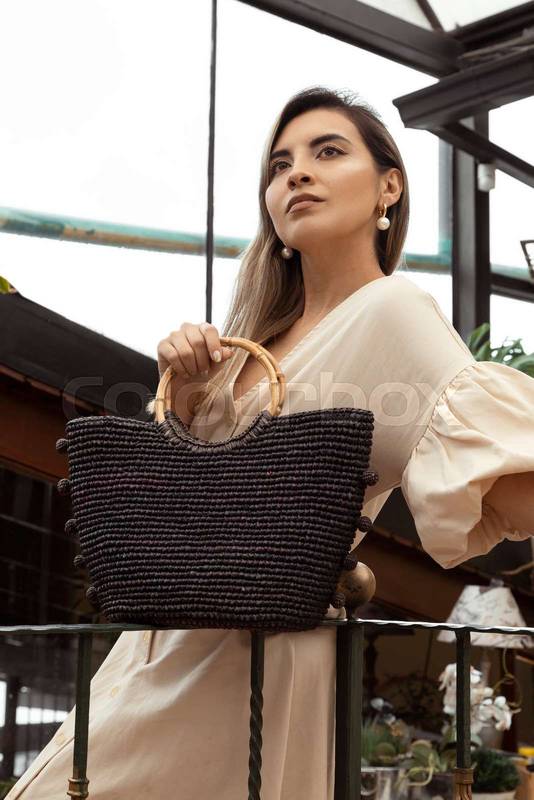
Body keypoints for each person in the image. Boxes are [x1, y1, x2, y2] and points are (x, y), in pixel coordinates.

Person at [8, 86, 534, 800]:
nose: (297, 174)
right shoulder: (250, 344)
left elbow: (514, 492)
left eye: (327, 152)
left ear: (389, 185)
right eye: (280, 165)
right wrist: (186, 399)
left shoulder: (393, 312)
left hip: (255, 661)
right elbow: (188, 509)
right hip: (159, 647)